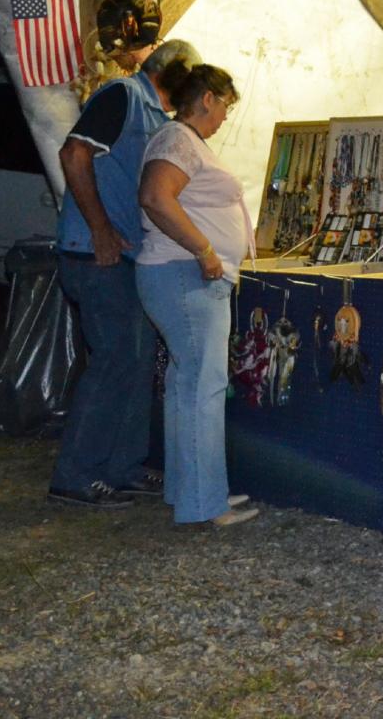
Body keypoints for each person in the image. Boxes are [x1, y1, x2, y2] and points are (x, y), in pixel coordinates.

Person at [48, 0, 200, 509]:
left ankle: (123, 467)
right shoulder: (122, 96)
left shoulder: (159, 116)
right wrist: (101, 230)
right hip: (96, 257)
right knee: (114, 360)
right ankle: (74, 475)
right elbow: (73, 155)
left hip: (127, 257)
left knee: (136, 362)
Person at [136, 62, 258, 527]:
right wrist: (204, 249)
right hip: (186, 275)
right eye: (226, 105)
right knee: (203, 386)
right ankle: (206, 503)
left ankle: (189, 491)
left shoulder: (184, 142)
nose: (226, 116)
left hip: (181, 275)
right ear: (208, 98)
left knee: (185, 384)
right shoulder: (178, 140)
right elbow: (155, 197)